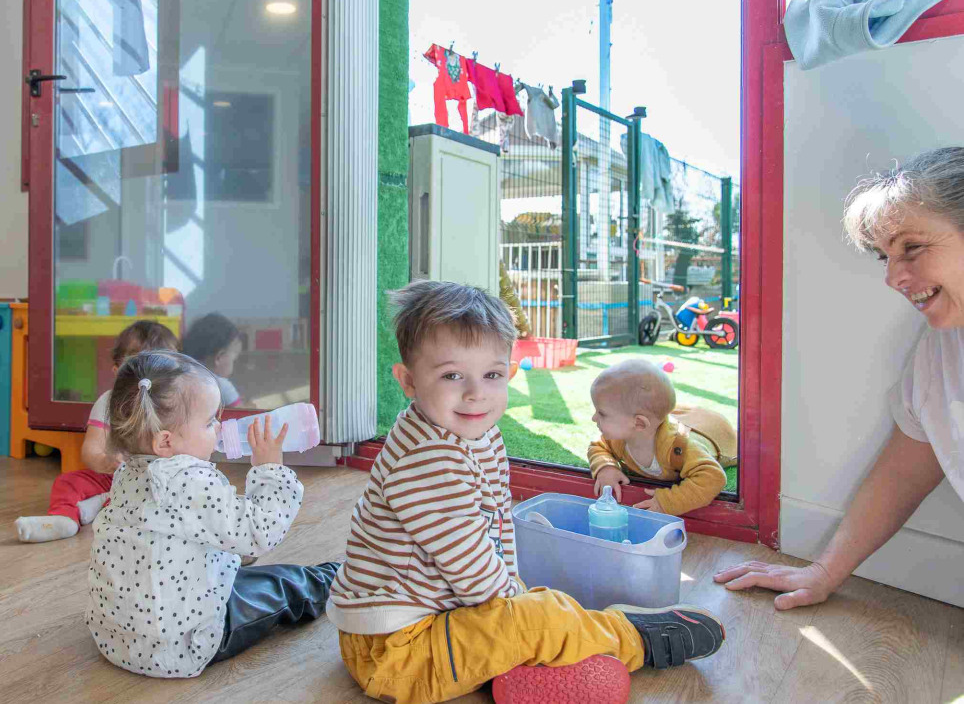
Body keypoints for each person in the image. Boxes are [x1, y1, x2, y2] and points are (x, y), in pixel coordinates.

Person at [327, 280, 726, 704]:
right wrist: (523, 612)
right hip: (396, 652)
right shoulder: (427, 461)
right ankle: (635, 638)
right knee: (534, 618)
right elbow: (474, 572)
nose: (475, 392)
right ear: (409, 381)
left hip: (442, 618)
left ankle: (525, 672)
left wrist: (518, 598)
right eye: (451, 375)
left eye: (492, 374)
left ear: (510, 373)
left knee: (534, 607)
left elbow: (496, 532)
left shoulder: (480, 436)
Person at [716, 147, 964, 609]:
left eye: (912, 248)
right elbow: (909, 465)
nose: (893, 278)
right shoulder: (940, 350)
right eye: (884, 257)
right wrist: (824, 572)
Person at [87, 349, 339, 677]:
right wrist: (269, 469)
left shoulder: (126, 474)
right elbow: (259, 532)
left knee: (233, 563)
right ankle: (336, 576)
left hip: (116, 638)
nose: (220, 428)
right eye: (209, 422)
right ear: (165, 443)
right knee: (284, 584)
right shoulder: (190, 479)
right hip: (183, 646)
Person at [14, 320, 179, 543]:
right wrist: (105, 461)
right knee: (68, 482)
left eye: (159, 369)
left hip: (159, 482)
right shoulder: (109, 402)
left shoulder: (175, 405)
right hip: (113, 477)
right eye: (136, 370)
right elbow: (91, 450)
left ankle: (100, 504)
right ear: (117, 372)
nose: (147, 380)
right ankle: (64, 518)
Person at [588, 359, 736, 517]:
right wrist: (606, 467)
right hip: (682, 417)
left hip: (716, 431)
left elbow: (713, 477)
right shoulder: (618, 439)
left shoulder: (680, 447)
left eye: (602, 413)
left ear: (639, 423)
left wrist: (668, 502)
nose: (594, 418)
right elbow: (598, 446)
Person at [182, 312, 244, 408]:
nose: (234, 364)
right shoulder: (222, 386)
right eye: (233, 360)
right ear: (219, 358)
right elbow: (241, 413)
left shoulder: (180, 376)